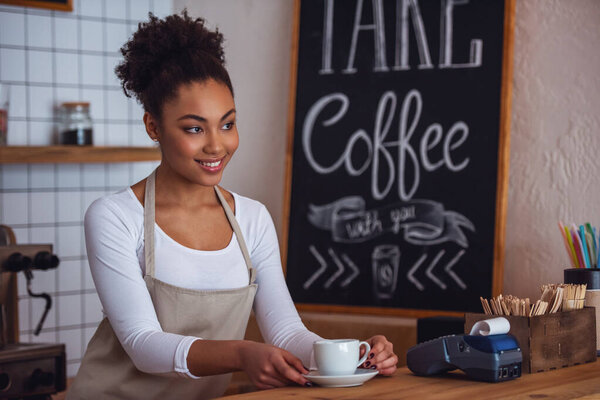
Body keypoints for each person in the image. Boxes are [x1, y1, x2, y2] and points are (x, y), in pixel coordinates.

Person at [66, 11, 398, 400]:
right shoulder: (116, 217)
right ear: (153, 127)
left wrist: (356, 355)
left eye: (227, 124)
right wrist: (241, 352)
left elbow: (287, 333)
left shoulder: (252, 219)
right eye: (194, 128)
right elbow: (142, 345)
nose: (216, 145)